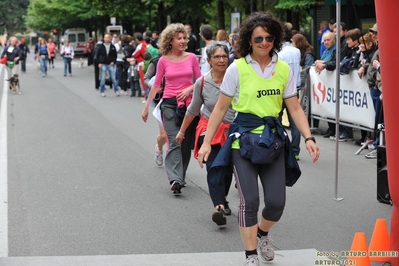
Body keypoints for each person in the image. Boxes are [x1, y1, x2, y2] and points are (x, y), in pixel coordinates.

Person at [196, 12, 319, 266]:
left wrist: (308, 137)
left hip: (272, 140)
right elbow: (219, 109)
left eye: (269, 37)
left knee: (276, 203)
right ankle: (251, 254)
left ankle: (263, 234)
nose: (264, 42)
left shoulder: (283, 69)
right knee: (249, 200)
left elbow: (294, 107)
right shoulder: (237, 68)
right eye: (258, 38)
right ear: (249, 41)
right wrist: (207, 142)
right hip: (243, 141)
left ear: (275, 39)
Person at [176, 42, 235, 225]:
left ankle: (223, 197)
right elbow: (193, 110)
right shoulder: (202, 82)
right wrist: (182, 131)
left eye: (224, 56)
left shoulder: (236, 79)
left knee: (227, 168)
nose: (221, 60)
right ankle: (218, 206)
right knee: (214, 165)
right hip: (208, 127)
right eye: (217, 57)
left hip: (231, 128)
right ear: (208, 60)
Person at [141, 23, 201, 194]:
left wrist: (189, 89)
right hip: (169, 104)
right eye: (178, 38)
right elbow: (156, 85)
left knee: (185, 142)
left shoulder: (192, 58)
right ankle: (175, 179)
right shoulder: (163, 61)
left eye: (184, 38)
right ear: (170, 41)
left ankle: (180, 175)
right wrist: (146, 107)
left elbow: (200, 80)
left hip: (190, 106)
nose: (182, 41)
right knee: (174, 140)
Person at [278, 26, 301, 160]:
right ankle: (295, 150)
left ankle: (280, 146)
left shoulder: (280, 54)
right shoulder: (296, 51)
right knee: (294, 121)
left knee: (278, 119)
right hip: (295, 88)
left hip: (282, 90)